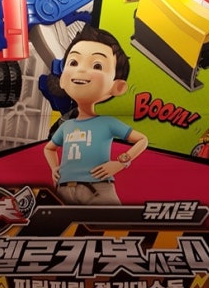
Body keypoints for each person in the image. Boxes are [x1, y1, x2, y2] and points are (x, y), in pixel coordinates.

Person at [44, 25, 148, 205]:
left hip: (98, 189)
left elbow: (142, 140)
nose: (81, 71)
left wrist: (121, 162)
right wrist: (54, 168)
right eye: (73, 63)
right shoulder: (66, 126)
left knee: (113, 222)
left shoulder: (107, 123)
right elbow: (49, 148)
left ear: (117, 87)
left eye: (97, 65)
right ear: (62, 79)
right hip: (63, 190)